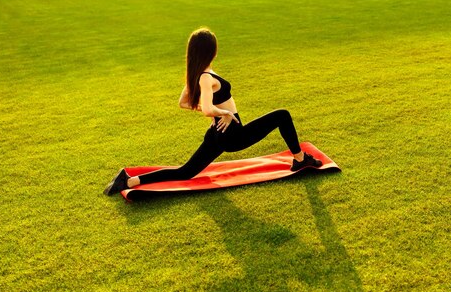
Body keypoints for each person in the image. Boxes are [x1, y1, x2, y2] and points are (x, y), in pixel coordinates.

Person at [104, 27, 322, 196]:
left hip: (217, 134)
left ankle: (129, 180)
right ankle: (300, 159)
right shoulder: (206, 78)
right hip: (233, 134)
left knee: (186, 171)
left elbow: (183, 103)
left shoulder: (199, 73)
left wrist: (216, 115)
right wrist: (224, 114)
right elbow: (206, 108)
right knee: (282, 115)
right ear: (211, 50)